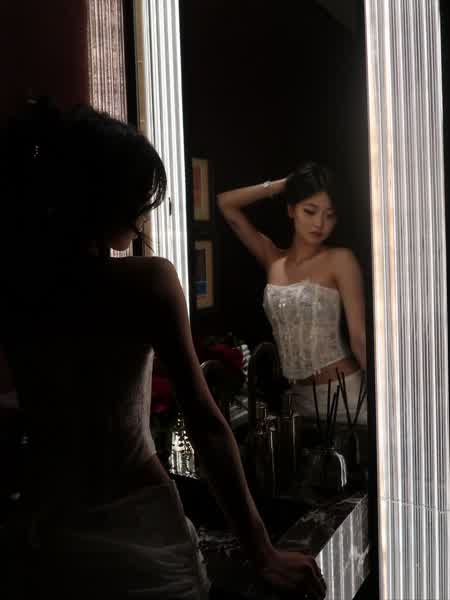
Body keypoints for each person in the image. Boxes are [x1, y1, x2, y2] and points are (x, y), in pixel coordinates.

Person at [0, 99, 326, 600]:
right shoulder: (147, 283)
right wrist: (263, 552)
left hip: (46, 541)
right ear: (105, 199)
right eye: (138, 199)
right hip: (138, 532)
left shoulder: (17, 289)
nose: (144, 214)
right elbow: (207, 424)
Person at [217, 162, 367, 425]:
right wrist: (285, 185)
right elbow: (225, 204)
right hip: (298, 401)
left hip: (347, 396)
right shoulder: (273, 259)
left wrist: (385, 399)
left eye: (330, 215)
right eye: (310, 211)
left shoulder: (340, 260)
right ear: (291, 209)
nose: (319, 223)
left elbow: (359, 339)